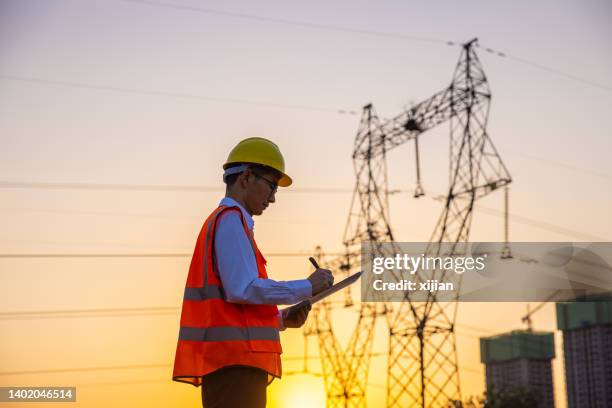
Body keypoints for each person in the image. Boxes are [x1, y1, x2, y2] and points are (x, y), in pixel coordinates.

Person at [172, 137, 334, 408]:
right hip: (235, 367)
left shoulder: (230, 224)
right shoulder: (231, 222)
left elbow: (234, 311)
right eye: (271, 186)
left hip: (234, 366)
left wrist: (280, 319)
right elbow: (243, 289)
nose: (272, 198)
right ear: (246, 177)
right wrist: (307, 286)